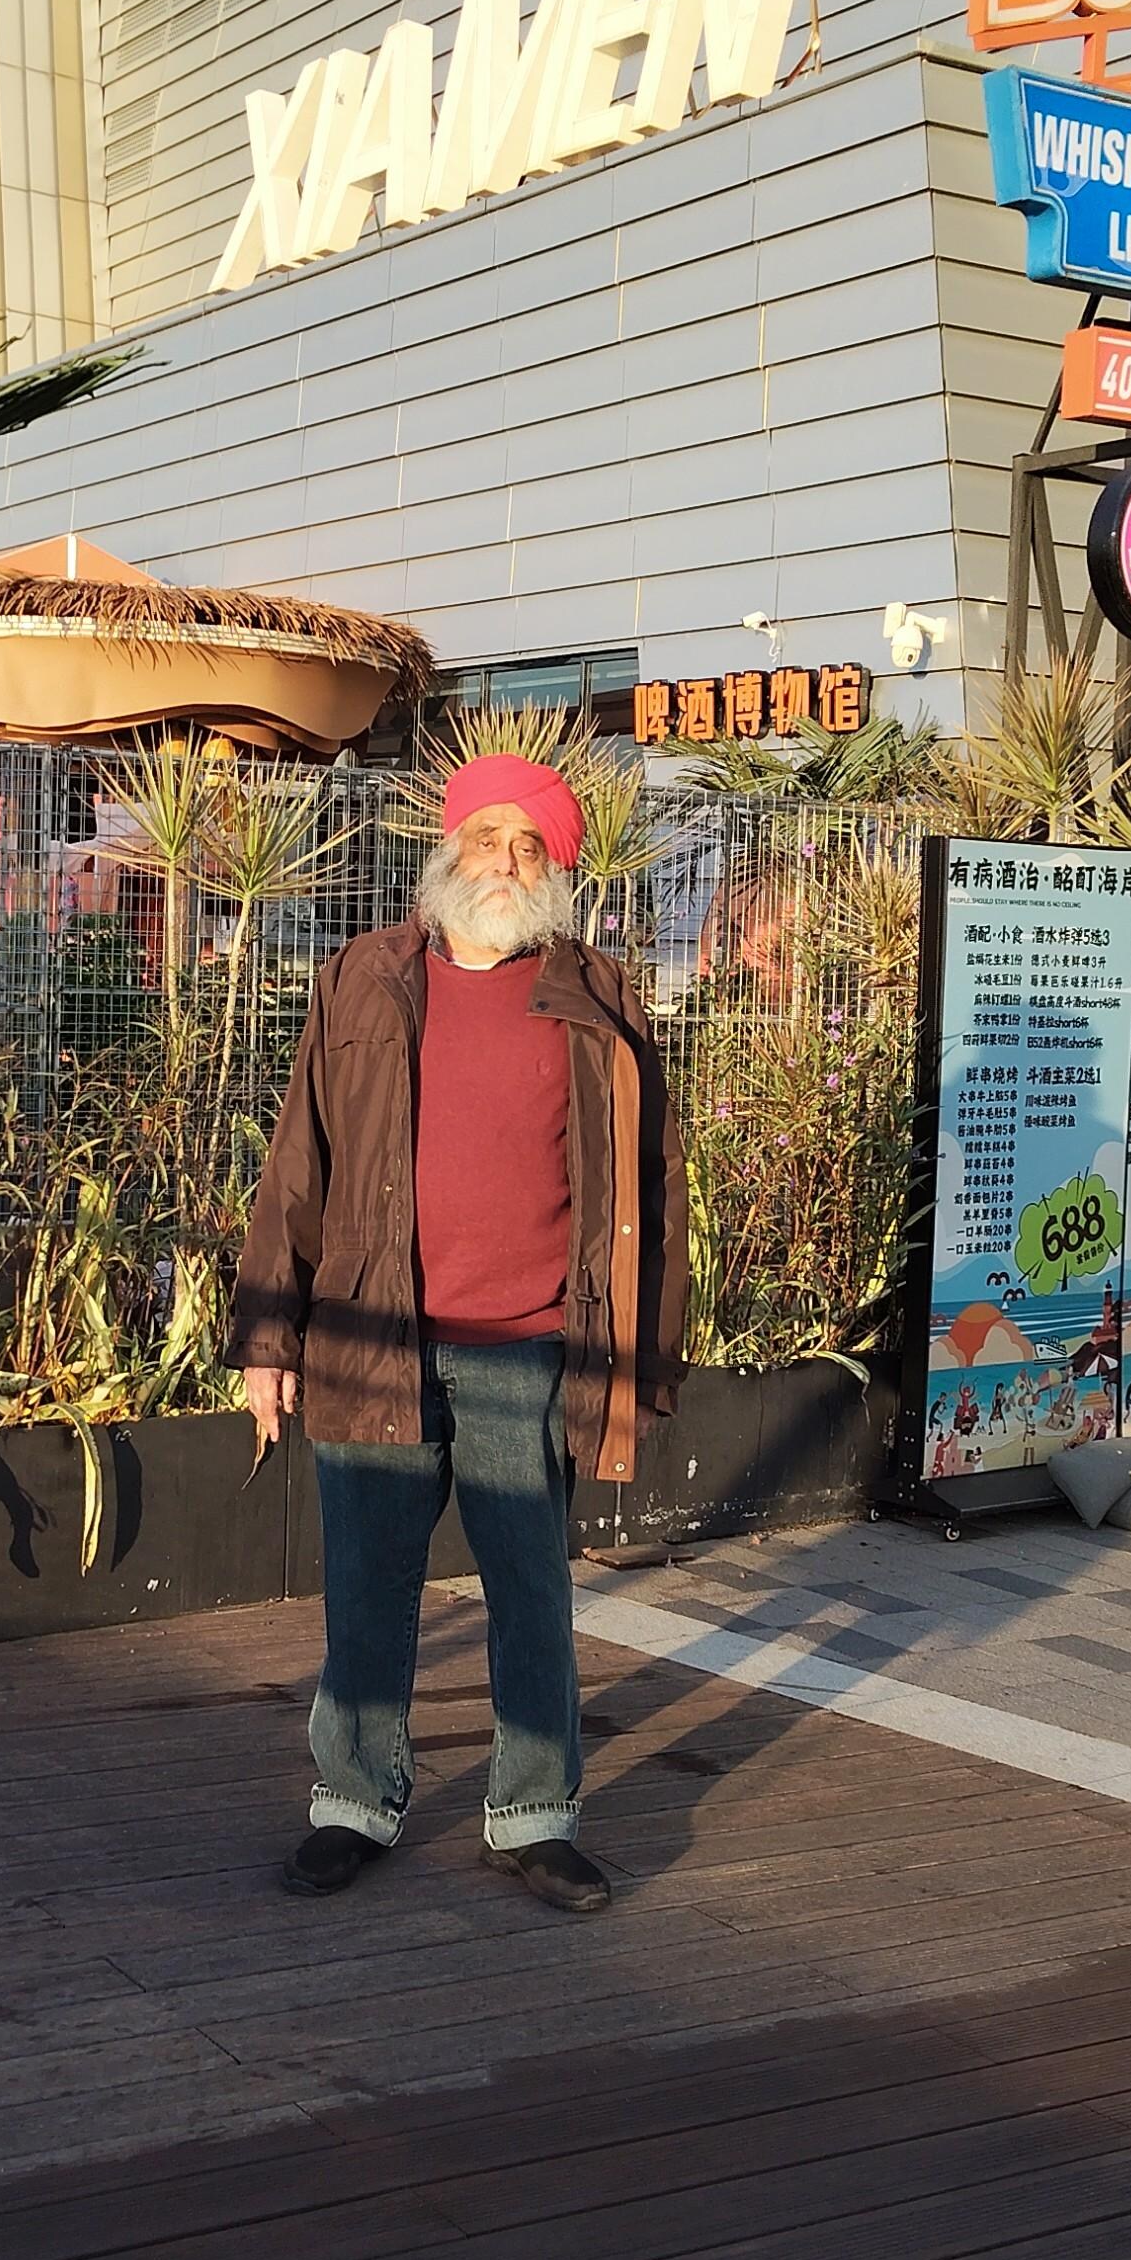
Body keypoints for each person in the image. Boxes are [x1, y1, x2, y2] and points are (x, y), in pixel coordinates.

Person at [233, 753, 687, 1915]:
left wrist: (646, 1361)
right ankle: (353, 1800)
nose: (504, 858)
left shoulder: (599, 998)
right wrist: (267, 1342)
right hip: (370, 1334)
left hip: (530, 1345)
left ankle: (534, 1816)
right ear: (445, 852)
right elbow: (298, 1171)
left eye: (528, 843)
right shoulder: (362, 982)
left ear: (558, 869)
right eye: (485, 836)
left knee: (531, 1590)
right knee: (367, 1586)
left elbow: (654, 1192)